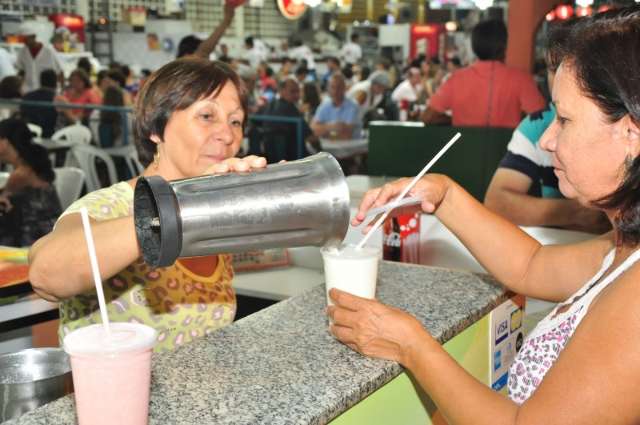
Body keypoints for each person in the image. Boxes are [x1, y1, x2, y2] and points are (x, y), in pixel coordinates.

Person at [328, 6, 640, 421]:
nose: (546, 140)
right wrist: (445, 195)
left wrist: (410, 344)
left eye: (563, 120)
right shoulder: (623, 250)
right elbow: (531, 266)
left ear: (631, 134)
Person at [28, 58, 268, 352]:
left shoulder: (210, 211)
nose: (228, 135)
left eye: (235, 121)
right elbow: (46, 276)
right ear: (156, 127)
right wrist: (173, 207)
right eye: (207, 116)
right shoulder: (109, 208)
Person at [484, 18, 610, 234]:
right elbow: (497, 201)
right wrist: (577, 213)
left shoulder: (618, 126)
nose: (562, 77)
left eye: (571, 68)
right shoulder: (537, 126)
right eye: (554, 68)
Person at [422, 19, 545, 128]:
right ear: (504, 46)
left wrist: (454, 122)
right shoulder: (521, 79)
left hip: (464, 149)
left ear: (474, 46)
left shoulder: (456, 78)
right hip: (507, 149)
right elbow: (541, 119)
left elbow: (428, 117)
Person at [0, 117, 62, 246]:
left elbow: (4, 198)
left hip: (37, 235)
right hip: (49, 228)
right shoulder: (28, 165)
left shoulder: (21, 174)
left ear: (5, 142)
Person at [256, 76, 316, 162]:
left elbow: (255, 123)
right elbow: (310, 137)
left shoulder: (268, 105)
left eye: (298, 91)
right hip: (294, 159)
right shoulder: (291, 109)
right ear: (281, 91)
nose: (297, 95)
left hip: (270, 159)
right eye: (292, 91)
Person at [311, 73, 360, 140]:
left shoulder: (353, 106)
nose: (335, 91)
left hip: (351, 148)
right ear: (328, 88)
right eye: (332, 87)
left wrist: (324, 131)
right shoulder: (325, 105)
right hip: (328, 148)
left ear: (344, 88)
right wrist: (332, 126)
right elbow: (313, 129)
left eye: (339, 87)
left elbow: (347, 135)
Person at [15, 24, 63, 93]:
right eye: (22, 39)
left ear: (33, 37)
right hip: (28, 91)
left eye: (26, 39)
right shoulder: (22, 52)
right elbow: (21, 71)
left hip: (46, 92)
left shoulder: (48, 51)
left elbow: (59, 72)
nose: (24, 42)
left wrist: (61, 90)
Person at [20, 69, 59, 138]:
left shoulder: (27, 96)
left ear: (41, 81)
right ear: (55, 82)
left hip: (27, 133)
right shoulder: (57, 99)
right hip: (50, 136)